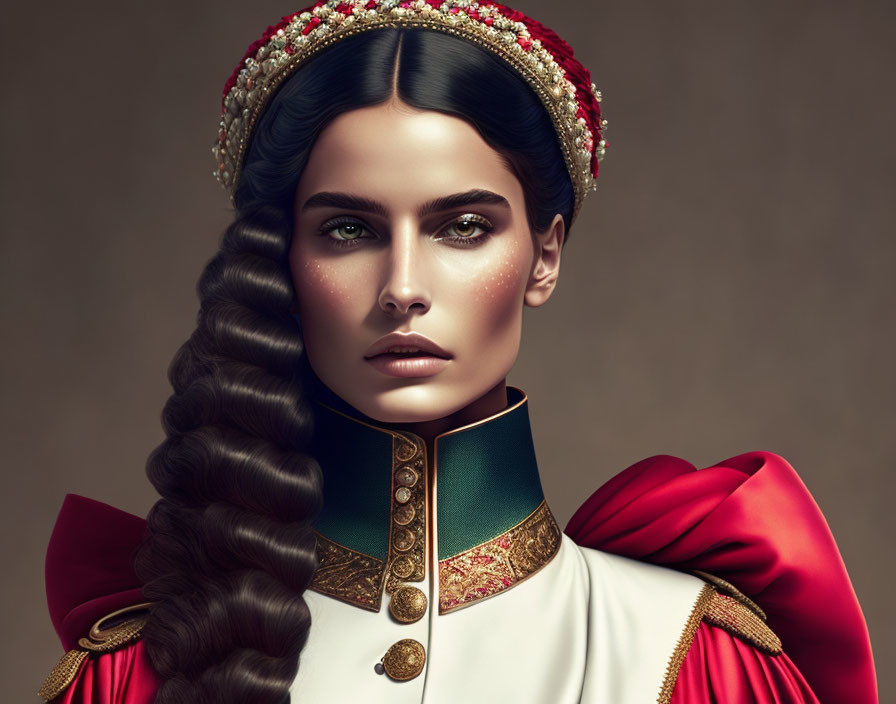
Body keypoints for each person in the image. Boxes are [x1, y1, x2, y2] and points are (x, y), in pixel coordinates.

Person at [38, 1, 877, 703]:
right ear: (280, 259)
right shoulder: (133, 674)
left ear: (544, 257)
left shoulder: (693, 657)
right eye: (348, 229)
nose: (403, 285)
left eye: (463, 227)